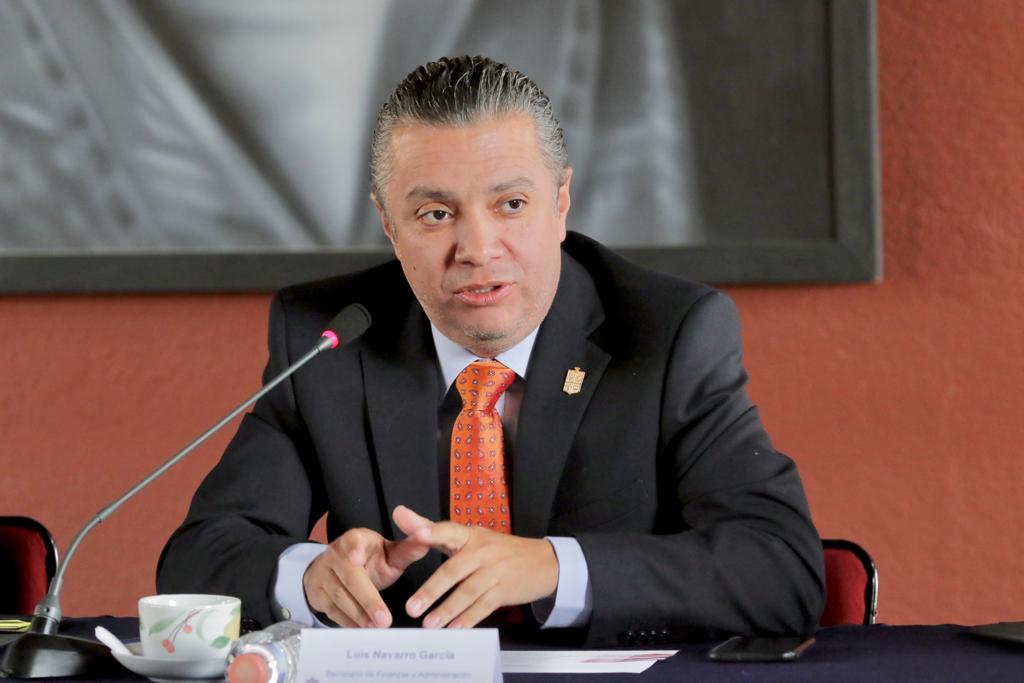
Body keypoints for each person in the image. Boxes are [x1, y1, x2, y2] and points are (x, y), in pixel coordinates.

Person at [157, 55, 825, 646]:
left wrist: (554, 566)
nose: (477, 249)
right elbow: (197, 559)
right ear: (389, 223)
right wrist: (310, 578)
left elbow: (782, 569)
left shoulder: (668, 332)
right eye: (436, 214)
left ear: (560, 202)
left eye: (510, 204)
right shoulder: (331, 338)